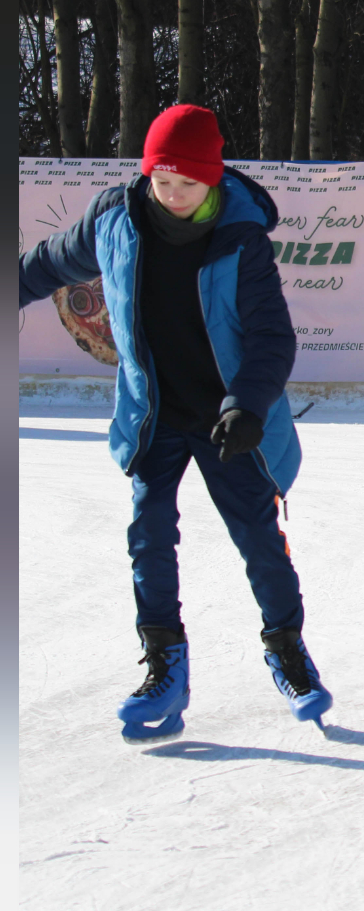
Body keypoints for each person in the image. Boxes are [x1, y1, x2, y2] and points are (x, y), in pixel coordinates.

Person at [16, 102, 327, 737]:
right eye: (164, 181)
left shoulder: (240, 239)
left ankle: (288, 652)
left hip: (228, 419)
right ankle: (165, 666)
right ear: (147, 172)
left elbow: (273, 339)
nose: (175, 195)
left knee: (258, 540)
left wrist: (246, 404)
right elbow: (47, 264)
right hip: (154, 414)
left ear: (212, 179)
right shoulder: (114, 220)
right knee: (149, 535)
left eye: (189, 184)